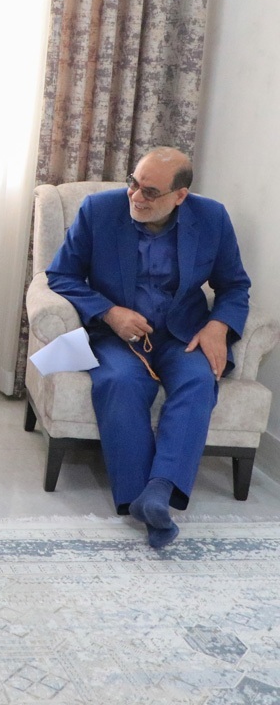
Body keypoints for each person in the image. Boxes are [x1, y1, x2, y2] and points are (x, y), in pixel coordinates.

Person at [46, 147, 250, 549]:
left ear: (180, 195)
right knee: (120, 382)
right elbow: (60, 275)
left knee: (198, 382)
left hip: (182, 334)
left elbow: (235, 285)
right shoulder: (99, 210)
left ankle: (158, 491)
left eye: (150, 192)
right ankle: (142, 499)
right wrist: (109, 313)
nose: (136, 196)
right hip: (117, 337)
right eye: (134, 184)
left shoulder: (212, 217)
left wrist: (218, 325)